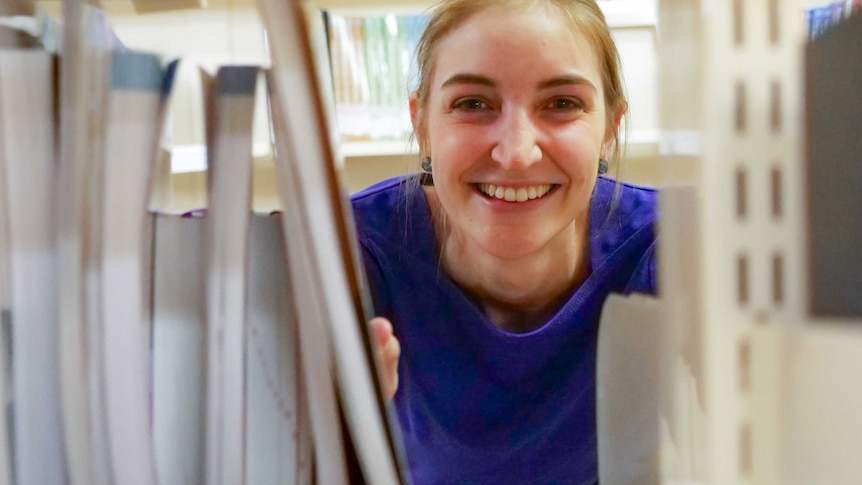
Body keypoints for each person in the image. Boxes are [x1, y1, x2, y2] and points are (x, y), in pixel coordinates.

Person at [355, 0, 657, 483]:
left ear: (609, 129)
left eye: (562, 104)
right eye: (472, 104)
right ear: (422, 124)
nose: (516, 154)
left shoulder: (671, 245)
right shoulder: (352, 246)